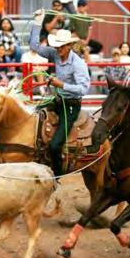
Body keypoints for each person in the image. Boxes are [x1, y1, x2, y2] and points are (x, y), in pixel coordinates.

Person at [29, 12, 90, 176]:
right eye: (57, 46)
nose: (58, 49)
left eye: (61, 47)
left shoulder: (78, 64)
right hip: (58, 100)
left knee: (55, 145)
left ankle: (57, 175)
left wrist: (61, 84)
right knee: (33, 113)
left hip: (71, 106)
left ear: (69, 46)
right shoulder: (55, 54)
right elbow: (34, 46)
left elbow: (84, 89)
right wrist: (38, 22)